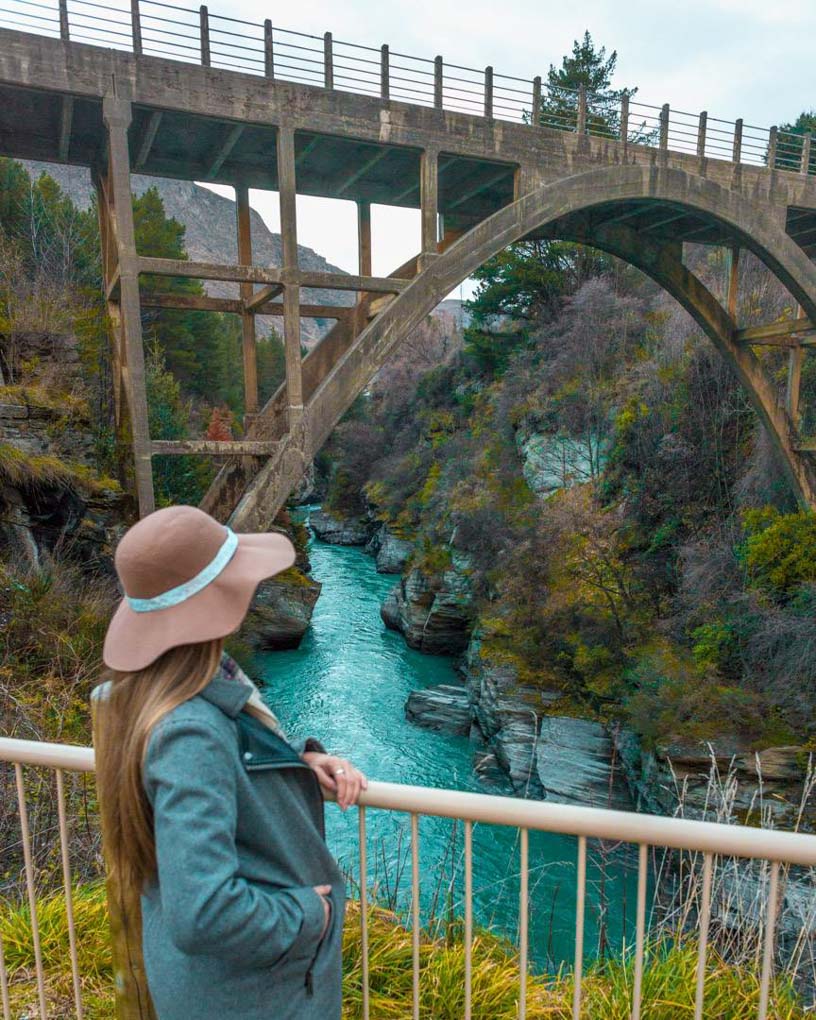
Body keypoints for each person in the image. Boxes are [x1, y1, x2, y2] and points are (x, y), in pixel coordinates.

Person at [93, 504, 367, 1020]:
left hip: (222, 987)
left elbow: (225, 770)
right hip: (251, 996)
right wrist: (313, 913)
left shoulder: (164, 692)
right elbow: (204, 914)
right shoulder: (189, 728)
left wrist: (298, 762)